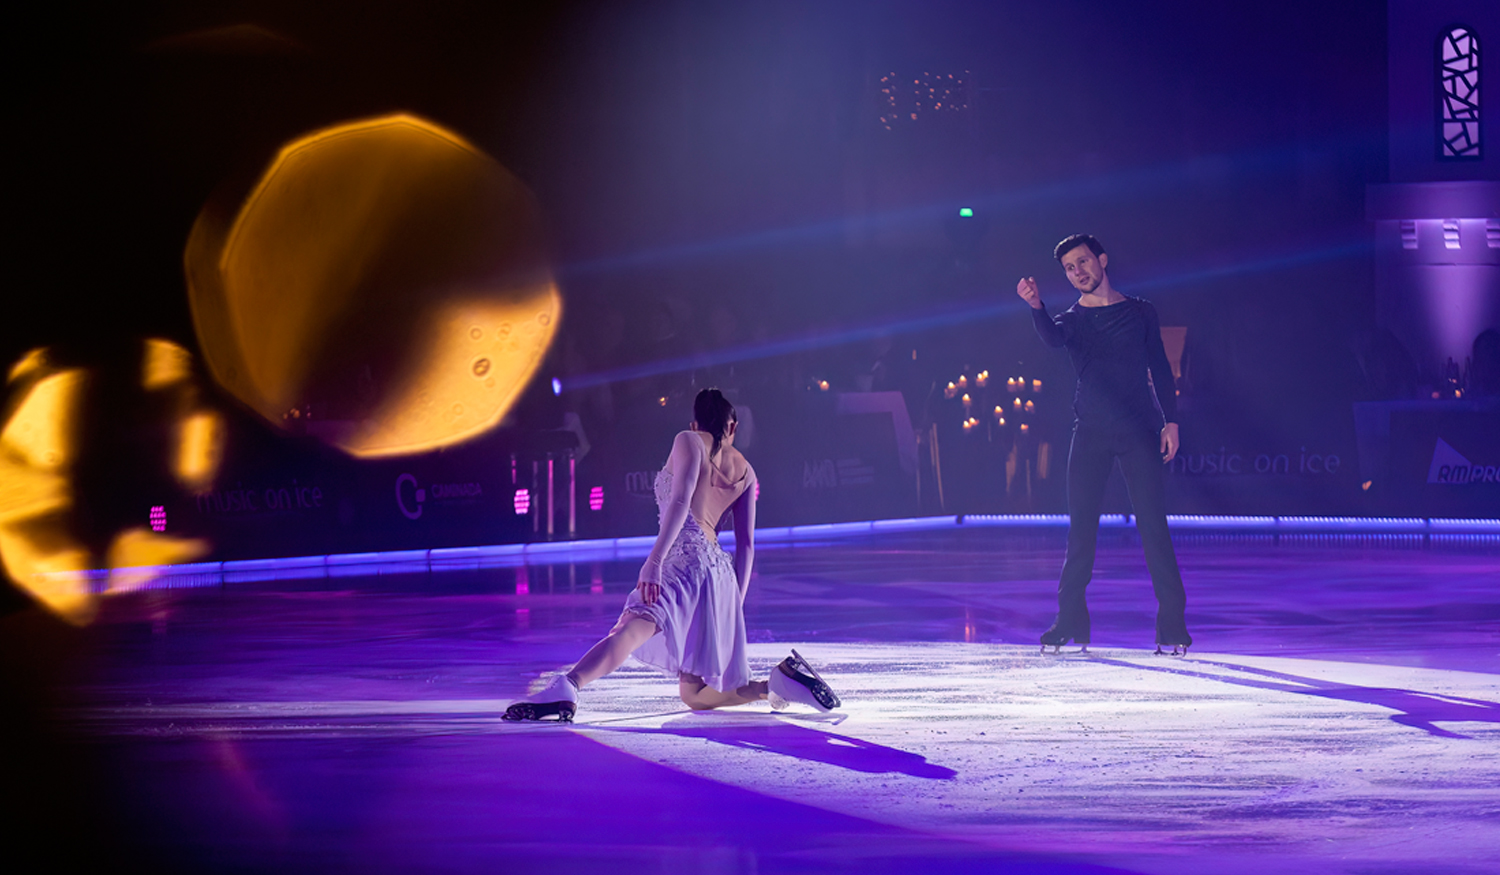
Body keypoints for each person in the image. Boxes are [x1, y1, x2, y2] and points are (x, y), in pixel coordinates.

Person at [504, 388, 841, 722]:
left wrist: (654, 561)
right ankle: (776, 684)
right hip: (719, 576)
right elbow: (746, 545)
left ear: (696, 423)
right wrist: (734, 603)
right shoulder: (747, 471)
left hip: (684, 559)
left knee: (632, 627)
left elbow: (681, 502)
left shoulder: (689, 440)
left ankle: (570, 685)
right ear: (733, 426)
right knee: (693, 695)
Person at [1016, 234, 1192, 655]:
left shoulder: (1140, 312)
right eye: (1070, 269)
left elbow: (1161, 371)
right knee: (1081, 532)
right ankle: (1070, 618)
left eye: (1082, 262)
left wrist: (1172, 422)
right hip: (1091, 432)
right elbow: (1052, 339)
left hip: (1138, 431)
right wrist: (1036, 306)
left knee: (1153, 528)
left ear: (1102, 260)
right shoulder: (1071, 321)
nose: (1078, 272)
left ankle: (1172, 622)